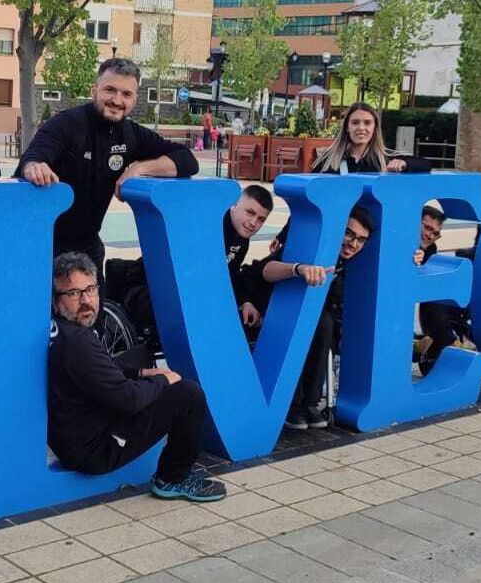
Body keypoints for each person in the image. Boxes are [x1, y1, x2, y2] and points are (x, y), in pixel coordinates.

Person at [46, 252, 227, 502]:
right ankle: (173, 479)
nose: (86, 300)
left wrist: (142, 373)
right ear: (56, 302)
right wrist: (163, 380)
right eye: (74, 293)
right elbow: (128, 400)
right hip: (94, 449)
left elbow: (102, 368)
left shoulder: (61, 331)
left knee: (143, 366)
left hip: (75, 434)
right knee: (188, 394)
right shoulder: (78, 342)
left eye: (90, 289)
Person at [16, 58, 199, 286]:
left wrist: (140, 168)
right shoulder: (66, 124)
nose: (117, 100)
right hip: (43, 245)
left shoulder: (132, 135)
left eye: (126, 94)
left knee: (93, 307)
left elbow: (187, 160)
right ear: (94, 90)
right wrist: (35, 167)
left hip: (88, 247)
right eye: (110, 90)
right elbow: (32, 158)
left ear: (135, 99)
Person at [241, 206, 375, 429]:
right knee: (319, 322)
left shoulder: (352, 265)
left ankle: (308, 403)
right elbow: (263, 270)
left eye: (360, 240)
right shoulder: (313, 249)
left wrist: (418, 256)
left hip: (316, 325)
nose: (353, 243)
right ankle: (295, 402)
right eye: (348, 234)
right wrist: (299, 269)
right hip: (265, 310)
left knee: (324, 323)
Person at [112, 184, 274, 336]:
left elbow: (230, 275)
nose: (254, 223)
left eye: (261, 219)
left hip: (182, 293)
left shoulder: (240, 239)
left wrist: (245, 302)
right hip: (147, 286)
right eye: (250, 212)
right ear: (235, 204)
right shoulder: (207, 227)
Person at [413, 205, 474, 375]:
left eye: (436, 233)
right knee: (436, 300)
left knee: (441, 298)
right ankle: (447, 343)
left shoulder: (430, 249)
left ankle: (435, 347)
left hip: (416, 299)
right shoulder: (401, 242)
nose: (431, 236)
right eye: (427, 228)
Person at [311, 102, 432, 174]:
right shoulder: (328, 160)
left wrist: (405, 163)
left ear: (375, 128)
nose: (361, 128)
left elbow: (425, 164)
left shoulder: (385, 159)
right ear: (347, 127)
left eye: (367, 123)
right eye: (355, 122)